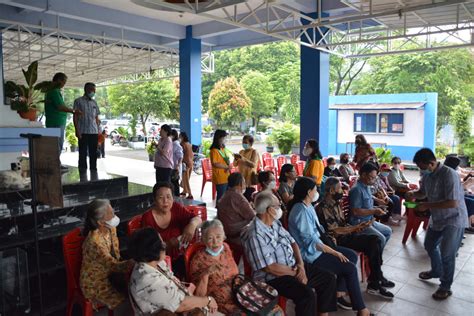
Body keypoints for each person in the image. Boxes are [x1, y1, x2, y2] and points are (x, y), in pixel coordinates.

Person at [241, 190, 337, 316]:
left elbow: (293, 242)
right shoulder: (255, 234)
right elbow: (269, 268)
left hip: (293, 267)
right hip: (274, 278)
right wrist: (297, 272)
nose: (281, 208)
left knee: (328, 278)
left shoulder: (274, 223)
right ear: (269, 210)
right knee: (307, 295)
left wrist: (301, 265)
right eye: (278, 206)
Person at [288, 177, 373, 316]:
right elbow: (311, 242)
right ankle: (362, 310)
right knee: (350, 268)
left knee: (350, 255)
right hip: (310, 255)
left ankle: (339, 292)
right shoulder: (300, 211)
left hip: (319, 247)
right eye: (315, 189)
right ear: (309, 192)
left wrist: (331, 243)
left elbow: (319, 230)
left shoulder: (307, 206)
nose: (318, 192)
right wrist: (334, 252)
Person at [318, 177, 395, 299]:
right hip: (337, 240)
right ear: (331, 191)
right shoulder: (323, 207)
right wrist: (354, 229)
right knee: (373, 243)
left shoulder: (336, 203)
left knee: (375, 240)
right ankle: (376, 282)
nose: (342, 192)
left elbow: (342, 224)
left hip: (347, 235)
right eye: (339, 189)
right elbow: (334, 230)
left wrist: (359, 227)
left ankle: (376, 280)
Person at [407, 148, 468, 300]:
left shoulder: (449, 174)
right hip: (438, 218)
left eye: (423, 168)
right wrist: (414, 194)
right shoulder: (428, 175)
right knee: (429, 245)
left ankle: (445, 286)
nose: (422, 172)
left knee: (447, 254)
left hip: (454, 218)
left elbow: (452, 202)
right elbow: (423, 193)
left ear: (432, 163)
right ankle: (436, 271)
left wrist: (427, 206)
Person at [129, 228, 219, 315]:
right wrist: (208, 300)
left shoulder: (155, 263)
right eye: (161, 243)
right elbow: (181, 305)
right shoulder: (146, 280)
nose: (164, 244)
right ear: (153, 251)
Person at [190, 220, 272, 315]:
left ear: (224, 236)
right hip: (221, 302)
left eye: (218, 237)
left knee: (269, 307)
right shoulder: (199, 259)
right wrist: (206, 274)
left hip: (240, 293)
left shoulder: (225, 248)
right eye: (210, 238)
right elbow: (198, 296)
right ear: (204, 240)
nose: (215, 242)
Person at [80, 199, 133, 310]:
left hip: (111, 273)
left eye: (113, 211)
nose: (114, 216)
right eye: (111, 214)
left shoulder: (110, 228)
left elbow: (116, 253)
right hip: (96, 281)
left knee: (134, 290)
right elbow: (113, 265)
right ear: (100, 222)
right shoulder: (95, 242)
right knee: (128, 302)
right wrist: (134, 262)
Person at [141, 182, 202, 277]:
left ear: (173, 198)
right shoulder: (148, 218)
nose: (165, 201)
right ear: (155, 200)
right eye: (161, 197)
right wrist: (168, 244)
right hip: (159, 262)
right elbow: (149, 248)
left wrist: (192, 225)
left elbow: (198, 219)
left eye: (169, 197)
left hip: (179, 257)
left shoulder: (176, 208)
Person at [349, 162, 392, 250]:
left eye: (375, 178)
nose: (374, 180)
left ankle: (375, 255)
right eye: (372, 177)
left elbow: (368, 199)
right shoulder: (357, 189)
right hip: (360, 224)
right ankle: (374, 260)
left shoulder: (366, 186)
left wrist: (378, 203)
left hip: (369, 220)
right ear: (364, 175)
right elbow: (355, 211)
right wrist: (374, 211)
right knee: (381, 239)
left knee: (388, 231)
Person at [44, 72, 81, 168]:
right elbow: (60, 107)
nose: (64, 84)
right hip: (56, 122)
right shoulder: (54, 91)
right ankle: (55, 164)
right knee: (57, 144)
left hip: (54, 122)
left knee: (55, 144)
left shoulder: (51, 91)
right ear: (58, 80)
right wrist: (73, 111)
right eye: (63, 81)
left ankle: (53, 163)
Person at [217, 173, 255, 245]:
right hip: (238, 235)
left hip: (226, 233)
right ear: (240, 183)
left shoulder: (225, 195)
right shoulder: (238, 196)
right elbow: (253, 216)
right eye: (244, 182)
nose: (245, 184)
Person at [73, 82, 100, 171]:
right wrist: (77, 130)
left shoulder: (94, 103)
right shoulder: (78, 101)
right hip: (83, 132)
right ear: (86, 90)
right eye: (92, 90)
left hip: (94, 132)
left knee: (93, 154)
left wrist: (99, 131)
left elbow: (96, 117)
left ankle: (93, 173)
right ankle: (82, 174)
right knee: (82, 154)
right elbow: (75, 117)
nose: (93, 92)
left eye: (94, 90)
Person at [210, 130, 231, 201]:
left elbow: (226, 159)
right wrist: (227, 167)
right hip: (220, 177)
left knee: (225, 198)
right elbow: (215, 163)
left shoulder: (223, 148)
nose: (225, 139)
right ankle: (219, 210)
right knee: (221, 198)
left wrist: (228, 164)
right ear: (219, 138)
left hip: (226, 176)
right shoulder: (214, 150)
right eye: (224, 138)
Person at [179, 132, 194, 199]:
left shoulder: (182, 144)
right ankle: (184, 191)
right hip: (191, 163)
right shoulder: (189, 144)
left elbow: (181, 155)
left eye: (180, 136)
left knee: (186, 179)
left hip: (185, 163)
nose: (179, 138)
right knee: (186, 179)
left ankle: (190, 194)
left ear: (182, 137)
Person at [170, 129, 183, 197]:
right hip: (172, 166)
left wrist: (177, 166)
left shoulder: (176, 144)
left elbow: (180, 157)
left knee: (175, 183)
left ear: (174, 136)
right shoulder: (172, 143)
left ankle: (177, 198)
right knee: (173, 183)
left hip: (175, 167)